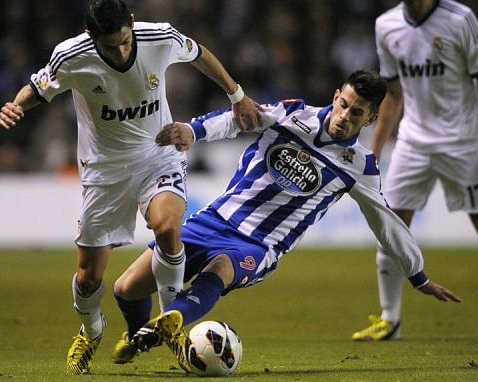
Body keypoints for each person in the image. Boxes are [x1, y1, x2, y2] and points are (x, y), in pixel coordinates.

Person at [110, 70, 461, 373]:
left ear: (369, 120)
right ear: (336, 96)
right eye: (344, 105)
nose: (344, 116)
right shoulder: (292, 114)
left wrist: (417, 274)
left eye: (357, 113)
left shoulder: (360, 165)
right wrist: (195, 130)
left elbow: (386, 223)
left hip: (258, 245)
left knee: (219, 270)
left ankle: (175, 319)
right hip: (214, 220)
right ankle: (142, 333)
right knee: (125, 288)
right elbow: (240, 118)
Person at [0, 0, 261, 375]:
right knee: (89, 276)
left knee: (168, 227)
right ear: (92, 38)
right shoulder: (70, 56)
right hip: (103, 171)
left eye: (124, 41)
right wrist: (16, 106)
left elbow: (200, 54)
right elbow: (37, 89)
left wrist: (237, 96)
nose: (121, 50)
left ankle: (171, 320)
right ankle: (91, 330)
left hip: (157, 155)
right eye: (110, 45)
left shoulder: (160, 37)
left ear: (132, 24)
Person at [351, 0, 478, 342]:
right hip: (413, 141)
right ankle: (390, 320)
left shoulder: (460, 19)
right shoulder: (387, 26)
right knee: (392, 225)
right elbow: (393, 94)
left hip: (464, 141)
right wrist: (373, 150)